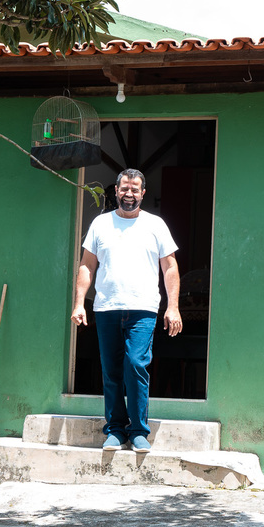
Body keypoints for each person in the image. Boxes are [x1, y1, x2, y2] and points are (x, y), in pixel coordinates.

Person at [71, 168, 181, 453]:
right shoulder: (100, 224)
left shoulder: (155, 225)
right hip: (107, 308)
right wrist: (79, 302)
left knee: (136, 365)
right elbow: (87, 265)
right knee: (111, 371)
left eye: (135, 189)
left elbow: (170, 266)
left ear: (143, 193)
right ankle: (115, 431)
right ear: (116, 191)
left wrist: (173, 307)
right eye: (124, 189)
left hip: (143, 308)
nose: (129, 194)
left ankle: (139, 431)